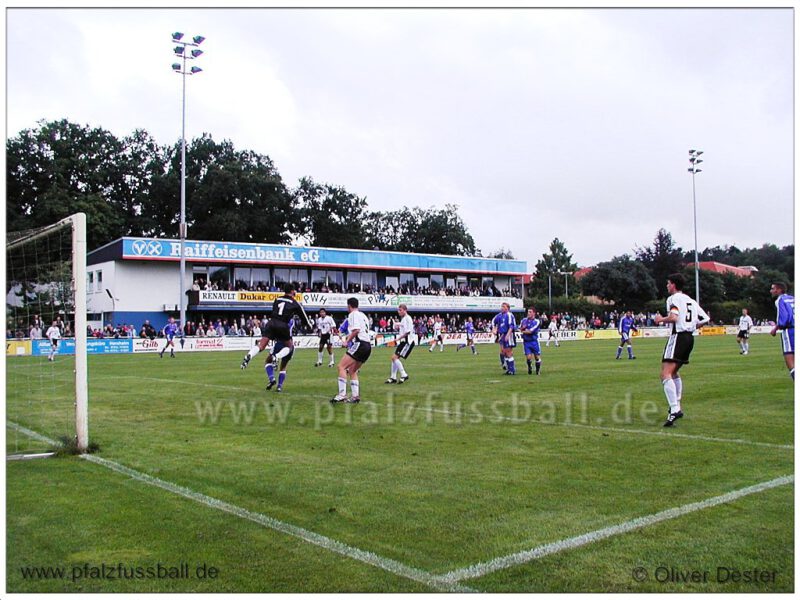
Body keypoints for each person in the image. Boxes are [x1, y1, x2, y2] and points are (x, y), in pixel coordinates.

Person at [654, 273, 710, 427]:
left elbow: (673, 317)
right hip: (689, 338)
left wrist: (660, 320)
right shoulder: (690, 300)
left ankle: (675, 408)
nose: (667, 285)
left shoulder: (674, 299)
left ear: (673, 285)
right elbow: (705, 319)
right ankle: (676, 404)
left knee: (665, 374)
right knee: (673, 372)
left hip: (678, 337)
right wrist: (692, 326)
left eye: (668, 283)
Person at [240, 284, 313, 369]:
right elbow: (304, 318)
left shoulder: (277, 299)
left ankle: (249, 355)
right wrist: (309, 326)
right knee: (289, 347)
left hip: (271, 323)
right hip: (282, 325)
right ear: (292, 291)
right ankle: (276, 357)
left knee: (261, 345)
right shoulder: (295, 303)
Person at [331, 297, 371, 404]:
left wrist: (346, 341)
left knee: (341, 367)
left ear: (349, 306)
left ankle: (341, 395)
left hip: (360, 344)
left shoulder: (353, 315)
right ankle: (355, 396)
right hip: (367, 345)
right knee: (352, 371)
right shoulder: (363, 315)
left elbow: (356, 330)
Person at [769, 282, 794, 379]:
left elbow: (783, 320)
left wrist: (774, 329)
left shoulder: (780, 300)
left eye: (773, 288)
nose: (771, 291)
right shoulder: (792, 298)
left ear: (779, 290)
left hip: (790, 332)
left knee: (791, 364)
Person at [385, 304, 413, 384]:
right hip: (404, 341)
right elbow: (402, 325)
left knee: (394, 358)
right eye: (398, 310)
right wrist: (397, 325)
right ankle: (393, 377)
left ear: (405, 310)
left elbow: (407, 332)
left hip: (407, 342)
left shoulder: (407, 318)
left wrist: (398, 338)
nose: (399, 312)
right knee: (394, 358)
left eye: (400, 310)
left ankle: (404, 374)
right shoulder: (404, 319)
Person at [492, 302, 517, 375]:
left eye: (503, 306)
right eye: (501, 306)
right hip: (502, 335)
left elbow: (511, 326)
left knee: (508, 352)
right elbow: (493, 321)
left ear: (507, 308)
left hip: (509, 334)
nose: (502, 308)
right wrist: (494, 329)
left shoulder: (509, 315)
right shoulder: (499, 315)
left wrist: (508, 335)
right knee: (504, 352)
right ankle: (509, 369)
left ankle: (512, 370)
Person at [519, 307, 542, 375]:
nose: (528, 313)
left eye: (530, 312)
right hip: (526, 342)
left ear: (534, 313)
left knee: (537, 357)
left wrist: (523, 330)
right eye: (528, 312)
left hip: (534, 341)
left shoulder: (537, 321)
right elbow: (520, 328)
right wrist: (522, 329)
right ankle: (530, 367)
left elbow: (530, 331)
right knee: (528, 357)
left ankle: (538, 370)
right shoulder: (524, 320)